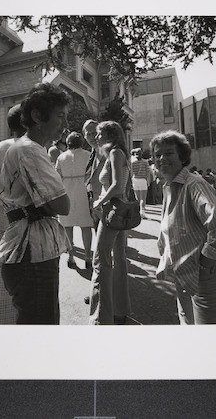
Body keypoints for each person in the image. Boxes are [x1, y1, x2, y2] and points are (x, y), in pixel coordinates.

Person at [0, 83, 71, 324]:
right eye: (60, 115)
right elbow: (62, 205)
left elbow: (52, 204)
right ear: (38, 116)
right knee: (41, 329)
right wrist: (48, 204)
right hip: (32, 257)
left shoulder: (27, 148)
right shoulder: (30, 150)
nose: (64, 124)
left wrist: (45, 204)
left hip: (31, 253)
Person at [151, 130, 216, 325]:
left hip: (206, 279)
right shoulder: (169, 186)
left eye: (168, 153)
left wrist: (205, 265)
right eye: (157, 154)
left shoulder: (193, 185)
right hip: (183, 277)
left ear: (182, 156)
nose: (161, 158)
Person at [89, 121, 131, 325]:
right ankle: (119, 311)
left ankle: (101, 318)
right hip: (120, 210)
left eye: (99, 134)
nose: (96, 138)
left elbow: (115, 186)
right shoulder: (121, 153)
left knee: (101, 262)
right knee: (119, 260)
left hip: (111, 211)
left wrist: (99, 201)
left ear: (110, 135)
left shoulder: (114, 153)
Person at [0, 104, 26, 324]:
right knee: (28, 272)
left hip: (4, 214)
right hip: (27, 217)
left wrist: (2, 203)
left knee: (6, 266)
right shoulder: (30, 147)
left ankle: (4, 319)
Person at [56, 131, 94, 269]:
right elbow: (91, 174)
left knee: (68, 226)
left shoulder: (61, 157)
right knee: (86, 226)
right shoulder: (88, 155)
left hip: (67, 192)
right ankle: (88, 256)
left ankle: (71, 256)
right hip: (83, 192)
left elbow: (57, 177)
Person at [82, 119, 105, 230]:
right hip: (95, 206)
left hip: (109, 206)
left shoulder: (109, 152)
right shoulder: (92, 154)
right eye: (88, 134)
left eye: (94, 133)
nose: (92, 137)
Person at [131, 148, 150, 218]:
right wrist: (148, 181)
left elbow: (131, 172)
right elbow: (148, 172)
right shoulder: (145, 162)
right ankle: (142, 212)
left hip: (135, 180)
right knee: (143, 198)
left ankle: (137, 212)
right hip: (143, 180)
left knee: (137, 198)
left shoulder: (133, 162)